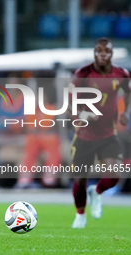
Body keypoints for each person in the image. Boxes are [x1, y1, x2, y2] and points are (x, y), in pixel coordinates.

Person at [70, 37, 131, 229]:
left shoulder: (121, 73)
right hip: (85, 134)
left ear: (111, 54)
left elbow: (127, 91)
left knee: (113, 175)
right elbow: (70, 102)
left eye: (106, 51)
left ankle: (96, 192)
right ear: (94, 53)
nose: (102, 54)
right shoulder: (83, 73)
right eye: (99, 51)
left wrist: (125, 113)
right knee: (80, 178)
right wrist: (83, 114)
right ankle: (80, 214)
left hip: (107, 134)